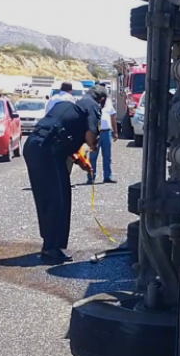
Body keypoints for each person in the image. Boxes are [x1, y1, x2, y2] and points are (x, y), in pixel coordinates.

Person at [23, 85, 107, 263]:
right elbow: (91, 138)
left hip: (35, 146)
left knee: (59, 196)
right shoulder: (93, 106)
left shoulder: (68, 105)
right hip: (46, 151)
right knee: (56, 199)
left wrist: (78, 158)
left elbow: (63, 133)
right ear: (102, 100)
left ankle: (55, 244)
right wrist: (93, 144)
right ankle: (50, 247)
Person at [87, 82, 119, 184]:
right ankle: (91, 177)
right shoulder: (91, 101)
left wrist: (115, 131)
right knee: (93, 157)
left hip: (106, 132)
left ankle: (107, 176)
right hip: (95, 133)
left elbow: (112, 116)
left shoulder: (108, 101)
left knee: (107, 156)